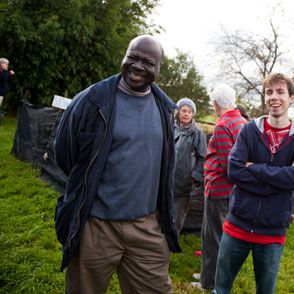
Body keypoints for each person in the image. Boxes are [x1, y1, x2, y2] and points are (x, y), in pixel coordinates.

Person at [54, 35, 181, 294]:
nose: (137, 66)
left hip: (146, 227)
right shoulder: (93, 100)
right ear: (124, 56)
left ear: (158, 68)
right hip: (95, 226)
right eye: (132, 57)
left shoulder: (165, 109)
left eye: (147, 62)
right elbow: (64, 153)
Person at [213, 73, 294, 294]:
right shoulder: (249, 129)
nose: (274, 97)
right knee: (220, 290)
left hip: (272, 231)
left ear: (292, 97)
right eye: (269, 92)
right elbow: (234, 170)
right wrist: (279, 180)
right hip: (237, 224)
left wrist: (254, 167)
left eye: (280, 92)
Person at [195, 83, 247, 290]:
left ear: (216, 104)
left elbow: (229, 165)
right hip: (231, 192)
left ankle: (209, 282)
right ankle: (209, 275)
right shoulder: (242, 121)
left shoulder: (223, 125)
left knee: (212, 237)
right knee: (220, 237)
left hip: (219, 191)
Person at [173, 97, 207, 233]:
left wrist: (193, 178)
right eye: (183, 111)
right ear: (178, 113)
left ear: (193, 114)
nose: (186, 114)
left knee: (177, 217)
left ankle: (171, 245)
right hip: (167, 181)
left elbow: (203, 158)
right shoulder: (171, 128)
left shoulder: (197, 133)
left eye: (189, 111)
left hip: (184, 184)